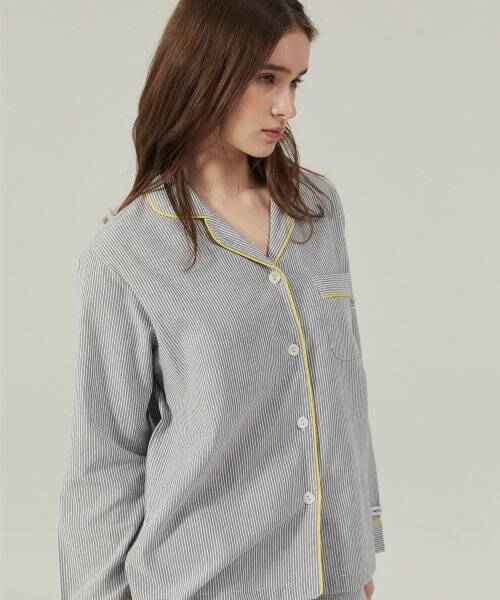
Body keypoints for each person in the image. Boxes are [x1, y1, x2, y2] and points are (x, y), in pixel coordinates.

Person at [57, 1, 386, 599]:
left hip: (329, 580)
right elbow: (104, 461)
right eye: (266, 78)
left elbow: (346, 388)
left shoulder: (318, 211)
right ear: (205, 71)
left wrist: (359, 549)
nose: (287, 107)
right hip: (204, 583)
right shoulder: (125, 254)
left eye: (295, 82)